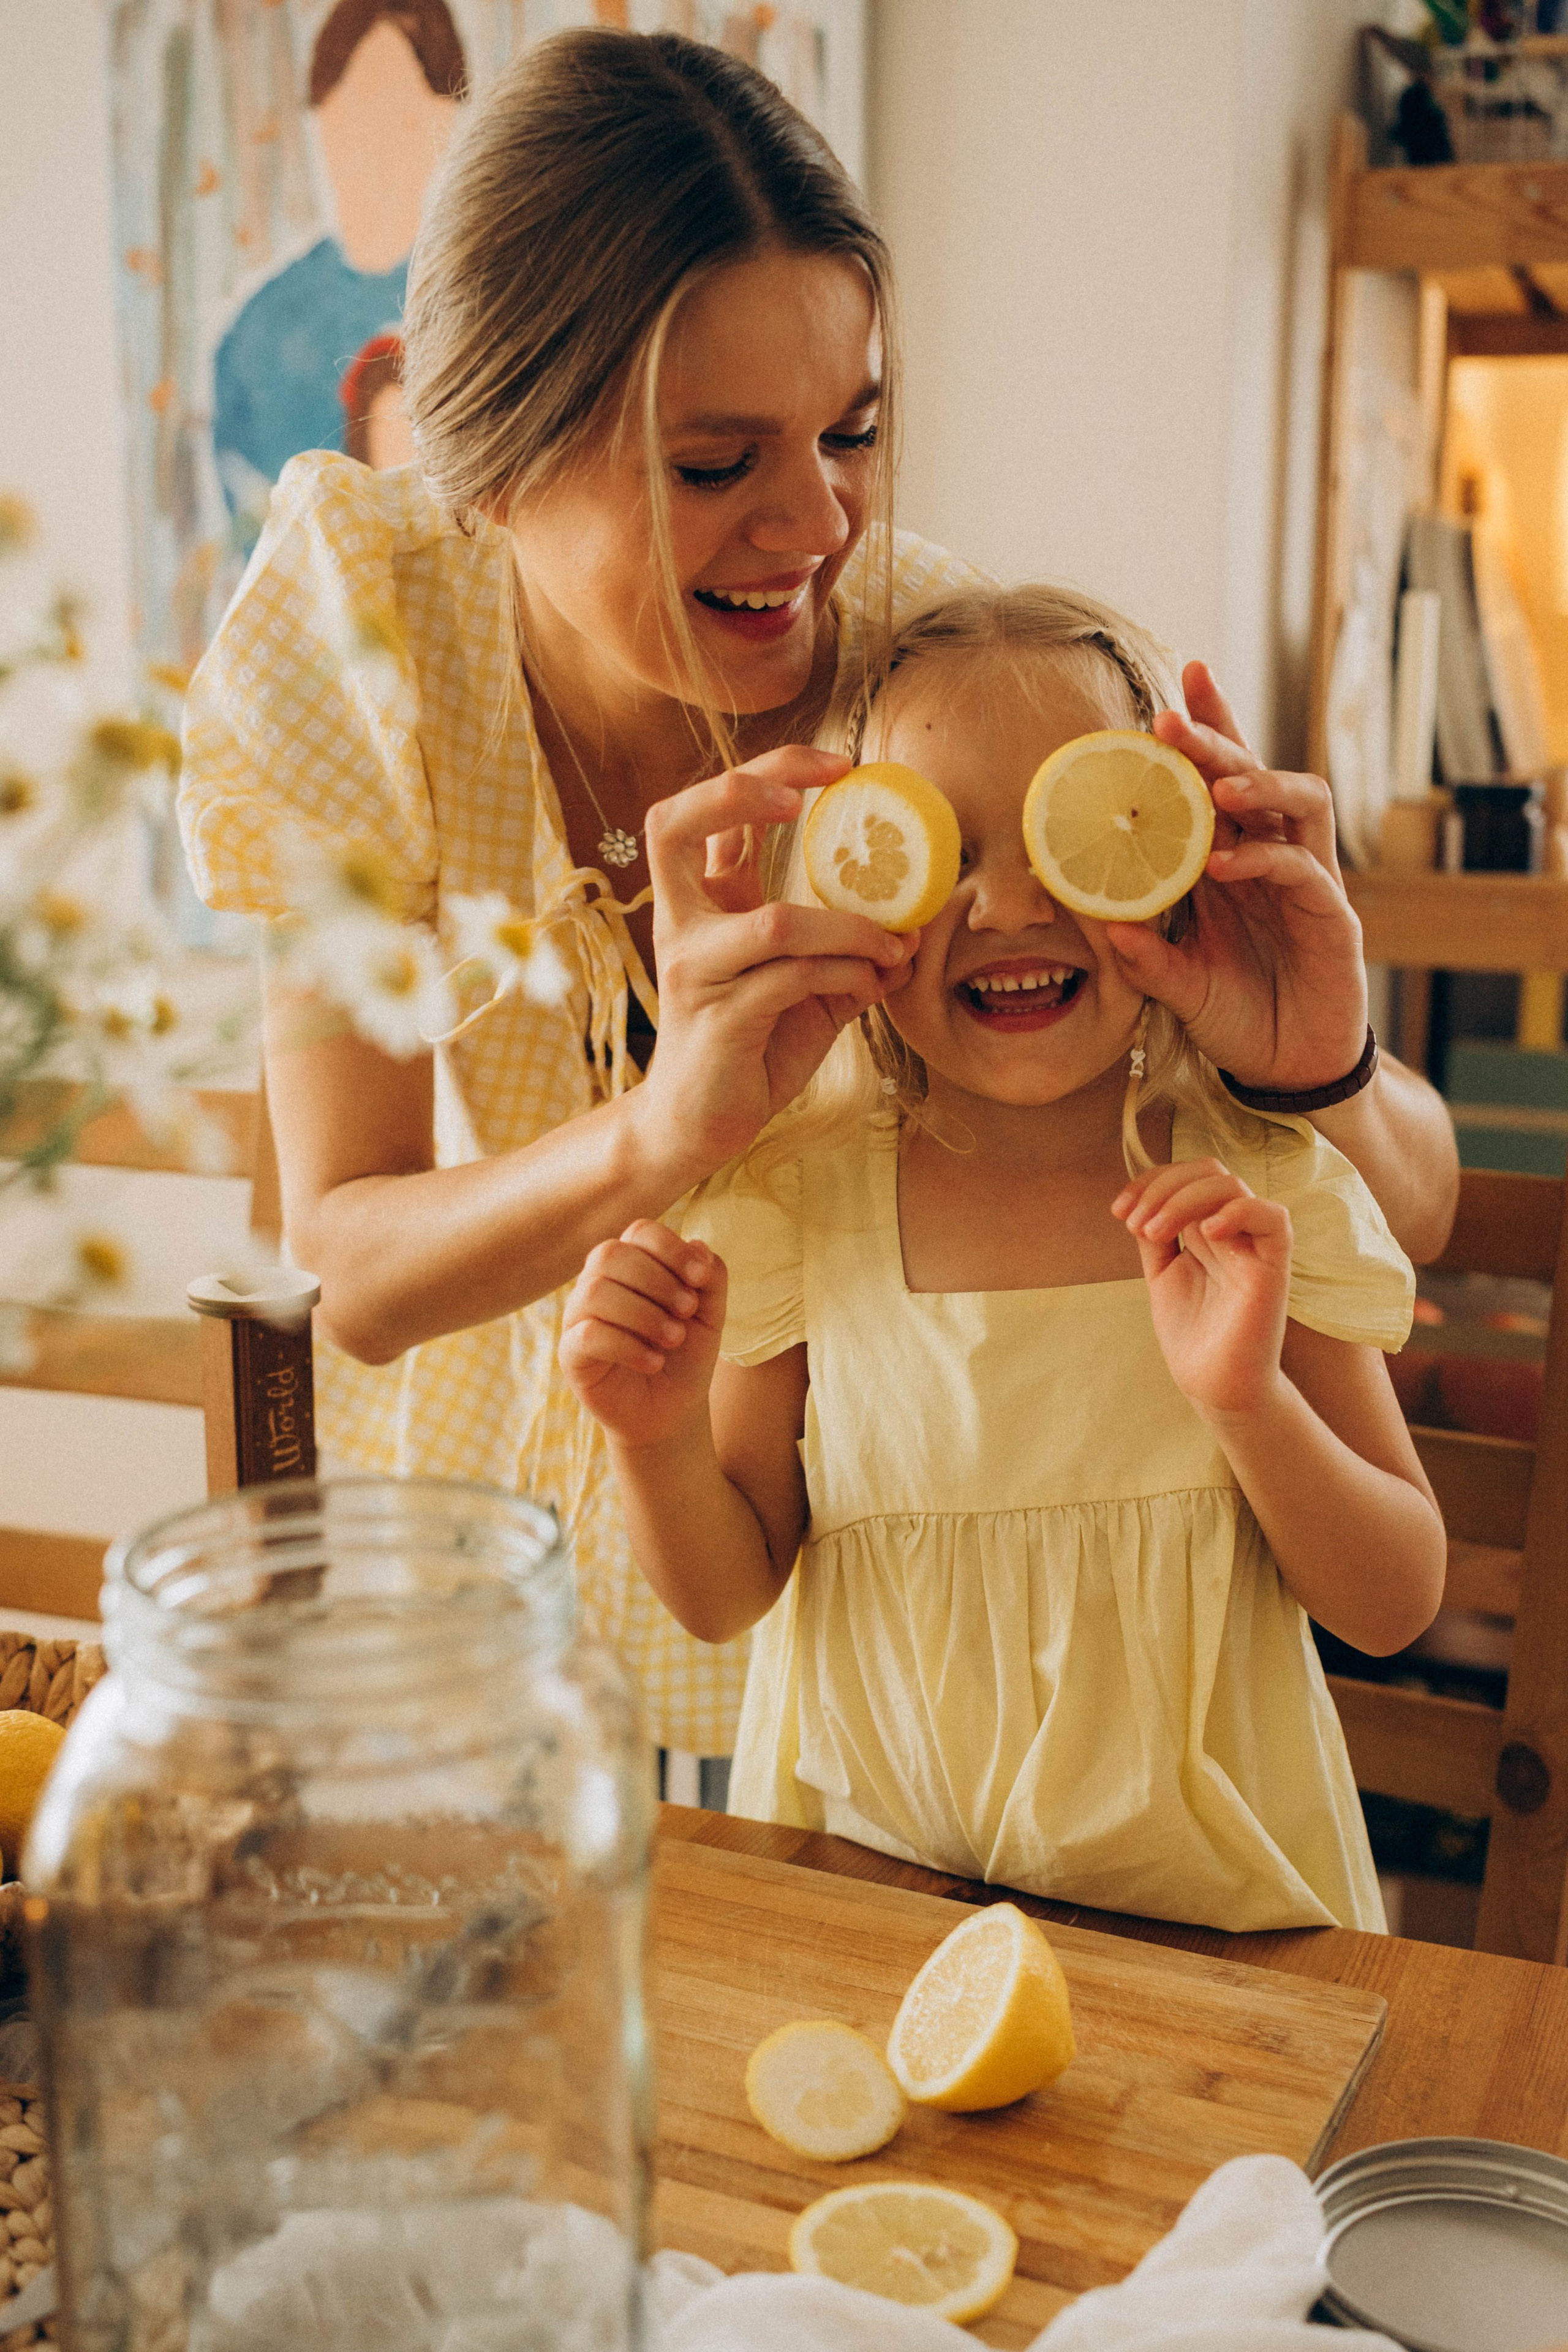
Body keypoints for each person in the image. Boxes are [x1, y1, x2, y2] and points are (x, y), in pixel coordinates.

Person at [179, 28, 1457, 1779]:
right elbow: (354, 1271)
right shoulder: (355, 642)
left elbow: (1404, 1200)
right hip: (466, 1636)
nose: (818, 523)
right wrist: (655, 1135)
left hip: (836, 1697)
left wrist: (1319, 1050)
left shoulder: (932, 682)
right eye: (714, 465)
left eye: (851, 430)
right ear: (489, 455)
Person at [559, 584, 1447, 1932]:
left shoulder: (1254, 1186)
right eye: (935, 847)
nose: (1012, 899)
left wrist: (1244, 1404)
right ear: (845, 887)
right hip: (878, 1914)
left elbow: (1394, 1600)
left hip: (1222, 1942)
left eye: (1067, 833)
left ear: (1172, 852)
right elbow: (724, 1592)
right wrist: (652, 1436)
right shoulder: (796, 1200)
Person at [211, 0, 465, 543]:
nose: (361, 135)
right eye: (344, 106)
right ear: (318, 120)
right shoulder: (255, 337)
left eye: (390, 107)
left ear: (444, 116)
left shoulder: (487, 304)